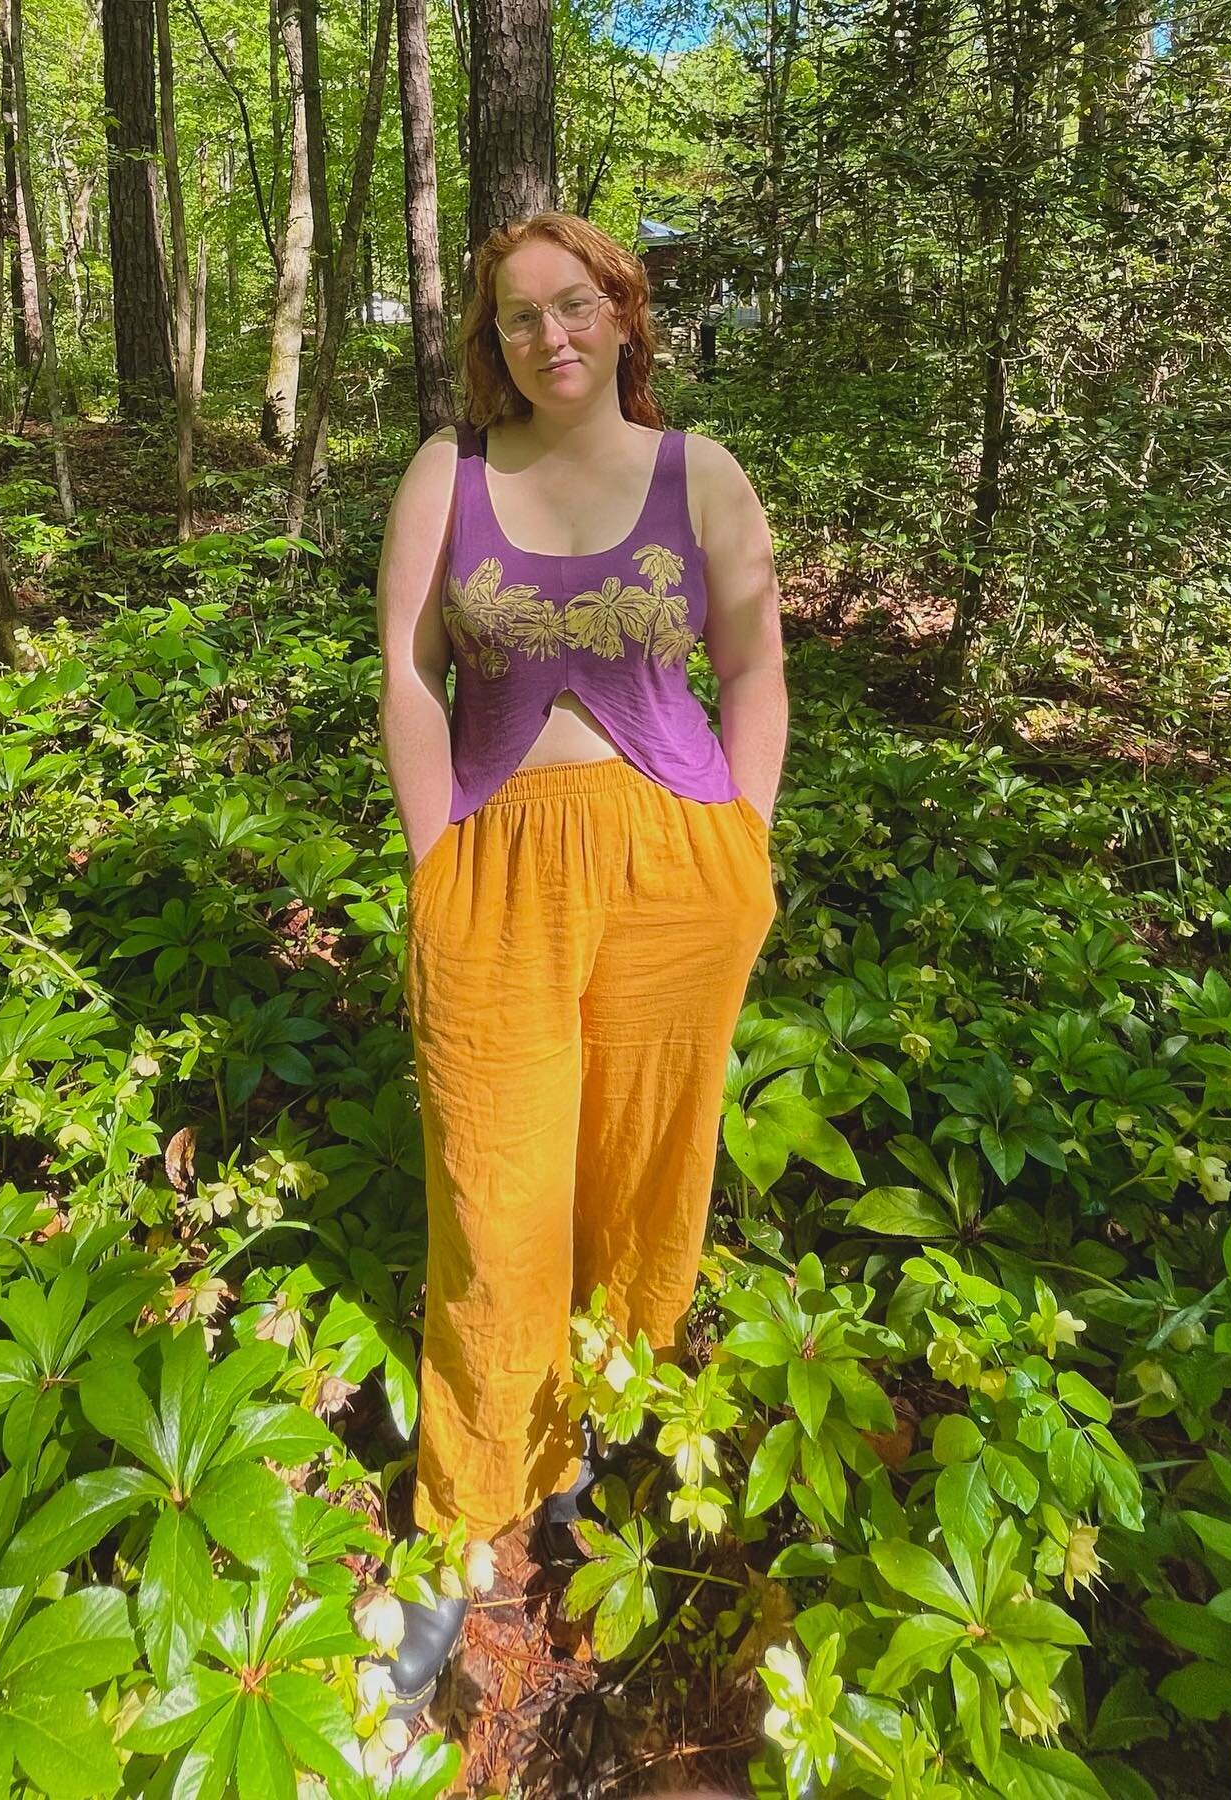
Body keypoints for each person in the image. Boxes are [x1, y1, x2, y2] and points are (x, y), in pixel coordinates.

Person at [372, 210, 788, 1717]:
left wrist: (742, 843)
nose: (549, 335)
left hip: (677, 875)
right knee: (494, 1196)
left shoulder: (701, 478)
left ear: (625, 313)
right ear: (493, 338)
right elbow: (410, 668)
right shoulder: (452, 473)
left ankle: (591, 1445)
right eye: (517, 316)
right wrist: (436, 854)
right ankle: (459, 1526)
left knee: (642, 1168)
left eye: (576, 305)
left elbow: (753, 666)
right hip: (495, 872)